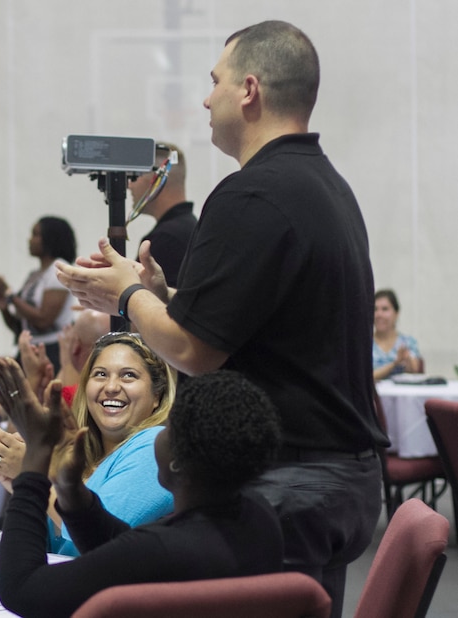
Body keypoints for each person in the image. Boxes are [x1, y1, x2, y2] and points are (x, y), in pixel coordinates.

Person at [55, 21, 385, 618]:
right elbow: (262, 318)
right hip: (340, 472)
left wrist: (129, 294)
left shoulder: (251, 193)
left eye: (215, 82)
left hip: (291, 476)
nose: (206, 98)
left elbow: (194, 350)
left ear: (249, 91)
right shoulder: (324, 184)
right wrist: (167, 292)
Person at [0, 361, 284, 618]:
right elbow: (120, 545)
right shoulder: (259, 517)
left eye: (167, 429)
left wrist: (34, 465)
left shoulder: (164, 550)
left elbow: (22, 590)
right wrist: (69, 488)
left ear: (177, 463)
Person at [0, 331, 176, 556]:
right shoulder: (79, 452)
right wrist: (25, 489)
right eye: (101, 374)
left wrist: (31, 475)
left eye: (128, 376)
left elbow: (98, 536)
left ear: (157, 395)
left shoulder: (155, 447)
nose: (111, 386)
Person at [0, 216, 76, 372]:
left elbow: (44, 320)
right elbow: (20, 328)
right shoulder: (34, 275)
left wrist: (10, 295)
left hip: (52, 351)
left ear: (50, 238)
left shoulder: (58, 269)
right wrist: (4, 306)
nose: (30, 240)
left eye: (35, 234)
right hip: (29, 348)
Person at [129, 142, 197, 286]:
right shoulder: (189, 228)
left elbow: (141, 302)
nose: (129, 185)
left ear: (157, 179)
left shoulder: (166, 239)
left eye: (135, 176)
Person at [373, 288, 422, 380]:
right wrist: (395, 364)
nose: (379, 314)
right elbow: (365, 377)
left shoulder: (408, 342)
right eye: (375, 309)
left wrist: (407, 361)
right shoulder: (363, 344)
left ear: (396, 313)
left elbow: (415, 370)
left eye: (385, 309)